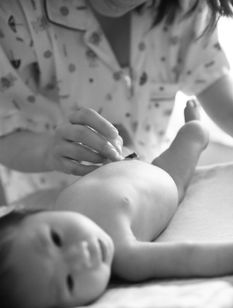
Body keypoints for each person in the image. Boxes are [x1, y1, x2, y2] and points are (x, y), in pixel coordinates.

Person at [2, 118, 233, 308]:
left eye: (56, 239)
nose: (82, 253)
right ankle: (196, 129)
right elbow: (189, 256)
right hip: (167, 176)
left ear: (33, 214)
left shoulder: (58, 205)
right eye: (70, 282)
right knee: (193, 134)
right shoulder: (127, 256)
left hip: (123, 160)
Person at [0, 0, 233, 203]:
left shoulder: (187, 8)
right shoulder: (14, 13)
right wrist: (48, 151)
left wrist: (192, 139)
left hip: (143, 188)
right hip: (47, 200)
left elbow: (220, 93)